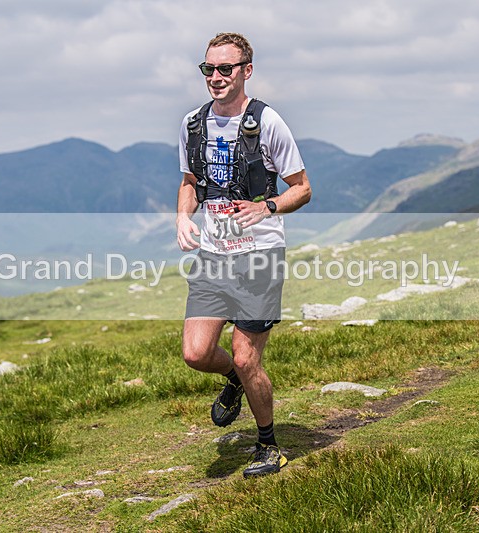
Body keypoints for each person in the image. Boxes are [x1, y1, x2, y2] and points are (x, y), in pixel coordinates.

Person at [176, 32, 312, 478]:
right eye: (208, 69)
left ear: (245, 71)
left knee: (247, 355)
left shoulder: (268, 122)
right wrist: (182, 217)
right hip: (213, 256)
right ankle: (234, 379)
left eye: (225, 69)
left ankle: (269, 446)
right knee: (196, 354)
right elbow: (190, 181)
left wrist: (266, 205)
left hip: (259, 254)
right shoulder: (193, 124)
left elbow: (302, 188)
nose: (215, 77)